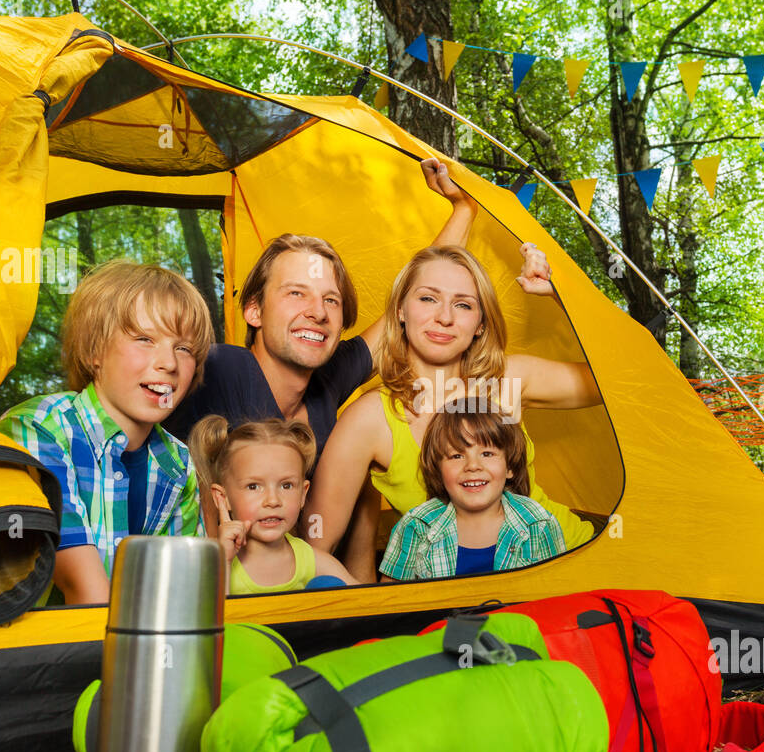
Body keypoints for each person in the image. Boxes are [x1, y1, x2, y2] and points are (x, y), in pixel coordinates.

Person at [304, 244, 602, 580]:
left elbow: (623, 378)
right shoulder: (370, 419)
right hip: (462, 599)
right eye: (428, 298)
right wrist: (367, 612)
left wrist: (563, 295)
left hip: (576, 561)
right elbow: (314, 545)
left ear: (479, 324)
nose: (444, 317)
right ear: (400, 310)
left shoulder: (508, 380)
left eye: (463, 304)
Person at [163, 159, 478, 466]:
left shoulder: (326, 381)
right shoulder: (216, 369)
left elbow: (413, 297)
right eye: (296, 293)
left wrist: (464, 210)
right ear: (254, 311)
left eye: (331, 300)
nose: (317, 312)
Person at [0, 261, 215, 605]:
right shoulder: (40, 428)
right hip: (44, 651)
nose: (169, 363)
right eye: (144, 339)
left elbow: (182, 594)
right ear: (95, 351)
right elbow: (87, 593)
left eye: (184, 348)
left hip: (132, 640)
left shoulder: (177, 462)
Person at [380, 403, 565, 581]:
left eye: (487, 454)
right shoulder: (417, 527)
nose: (473, 466)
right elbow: (390, 605)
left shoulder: (538, 524)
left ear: (510, 466)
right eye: (456, 456)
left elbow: (556, 598)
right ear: (438, 471)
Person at [188, 415, 355, 593]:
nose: (273, 500)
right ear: (222, 497)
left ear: (302, 494)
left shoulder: (313, 562)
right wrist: (224, 562)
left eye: (286, 485)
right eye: (253, 486)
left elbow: (371, 607)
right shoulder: (214, 563)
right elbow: (208, 618)